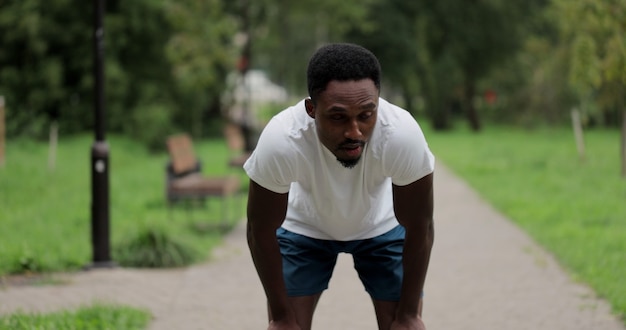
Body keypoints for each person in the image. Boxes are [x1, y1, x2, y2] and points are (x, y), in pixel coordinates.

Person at [243, 43, 435, 330]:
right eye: (338, 117)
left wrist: (409, 314)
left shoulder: (401, 135)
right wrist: (281, 317)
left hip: (381, 226)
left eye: (366, 115)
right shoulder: (282, 141)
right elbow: (260, 230)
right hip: (304, 228)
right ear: (311, 109)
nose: (354, 132)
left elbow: (420, 226)